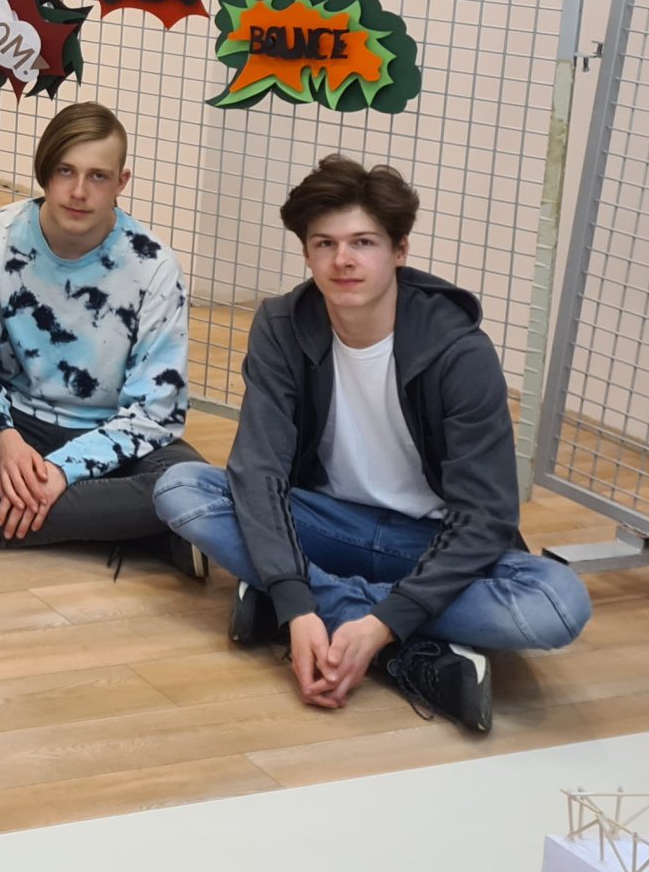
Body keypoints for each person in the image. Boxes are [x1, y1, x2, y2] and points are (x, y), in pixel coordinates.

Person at [153, 157, 592, 732]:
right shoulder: (282, 327)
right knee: (182, 487)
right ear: (307, 254)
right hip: (327, 524)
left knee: (558, 603)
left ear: (399, 250)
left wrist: (367, 616)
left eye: (363, 242)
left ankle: (316, 611)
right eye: (325, 244)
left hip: (428, 541)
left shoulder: (460, 352)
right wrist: (298, 602)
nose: (344, 260)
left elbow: (486, 518)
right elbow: (258, 471)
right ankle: (375, 632)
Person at [0, 103, 205, 562]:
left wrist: (64, 470)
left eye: (98, 176)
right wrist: (4, 439)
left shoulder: (154, 266)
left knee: (188, 483)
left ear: (121, 182)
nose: (79, 191)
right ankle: (135, 529)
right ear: (45, 170)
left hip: (110, 433)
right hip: (17, 422)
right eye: (65, 171)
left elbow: (156, 411)